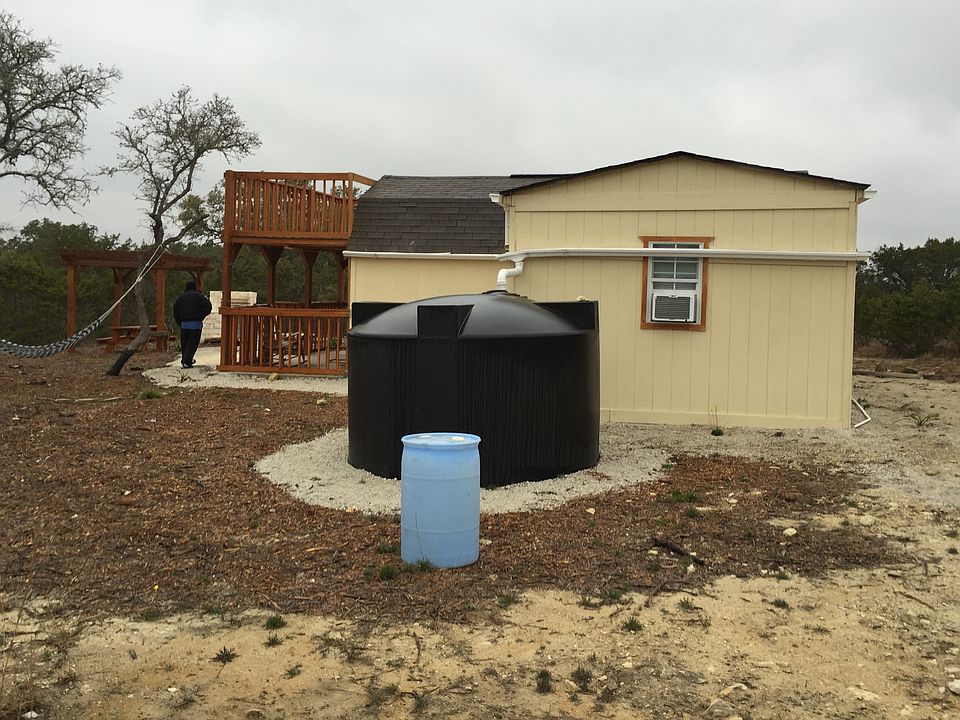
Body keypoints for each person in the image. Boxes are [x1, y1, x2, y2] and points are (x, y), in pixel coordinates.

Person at [172, 280, 212, 368]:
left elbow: (175, 310)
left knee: (185, 345)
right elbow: (208, 306)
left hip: (184, 324)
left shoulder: (181, 298)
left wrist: (179, 322)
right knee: (192, 344)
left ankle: (187, 360)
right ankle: (186, 361)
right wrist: (202, 316)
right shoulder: (199, 296)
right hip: (196, 324)